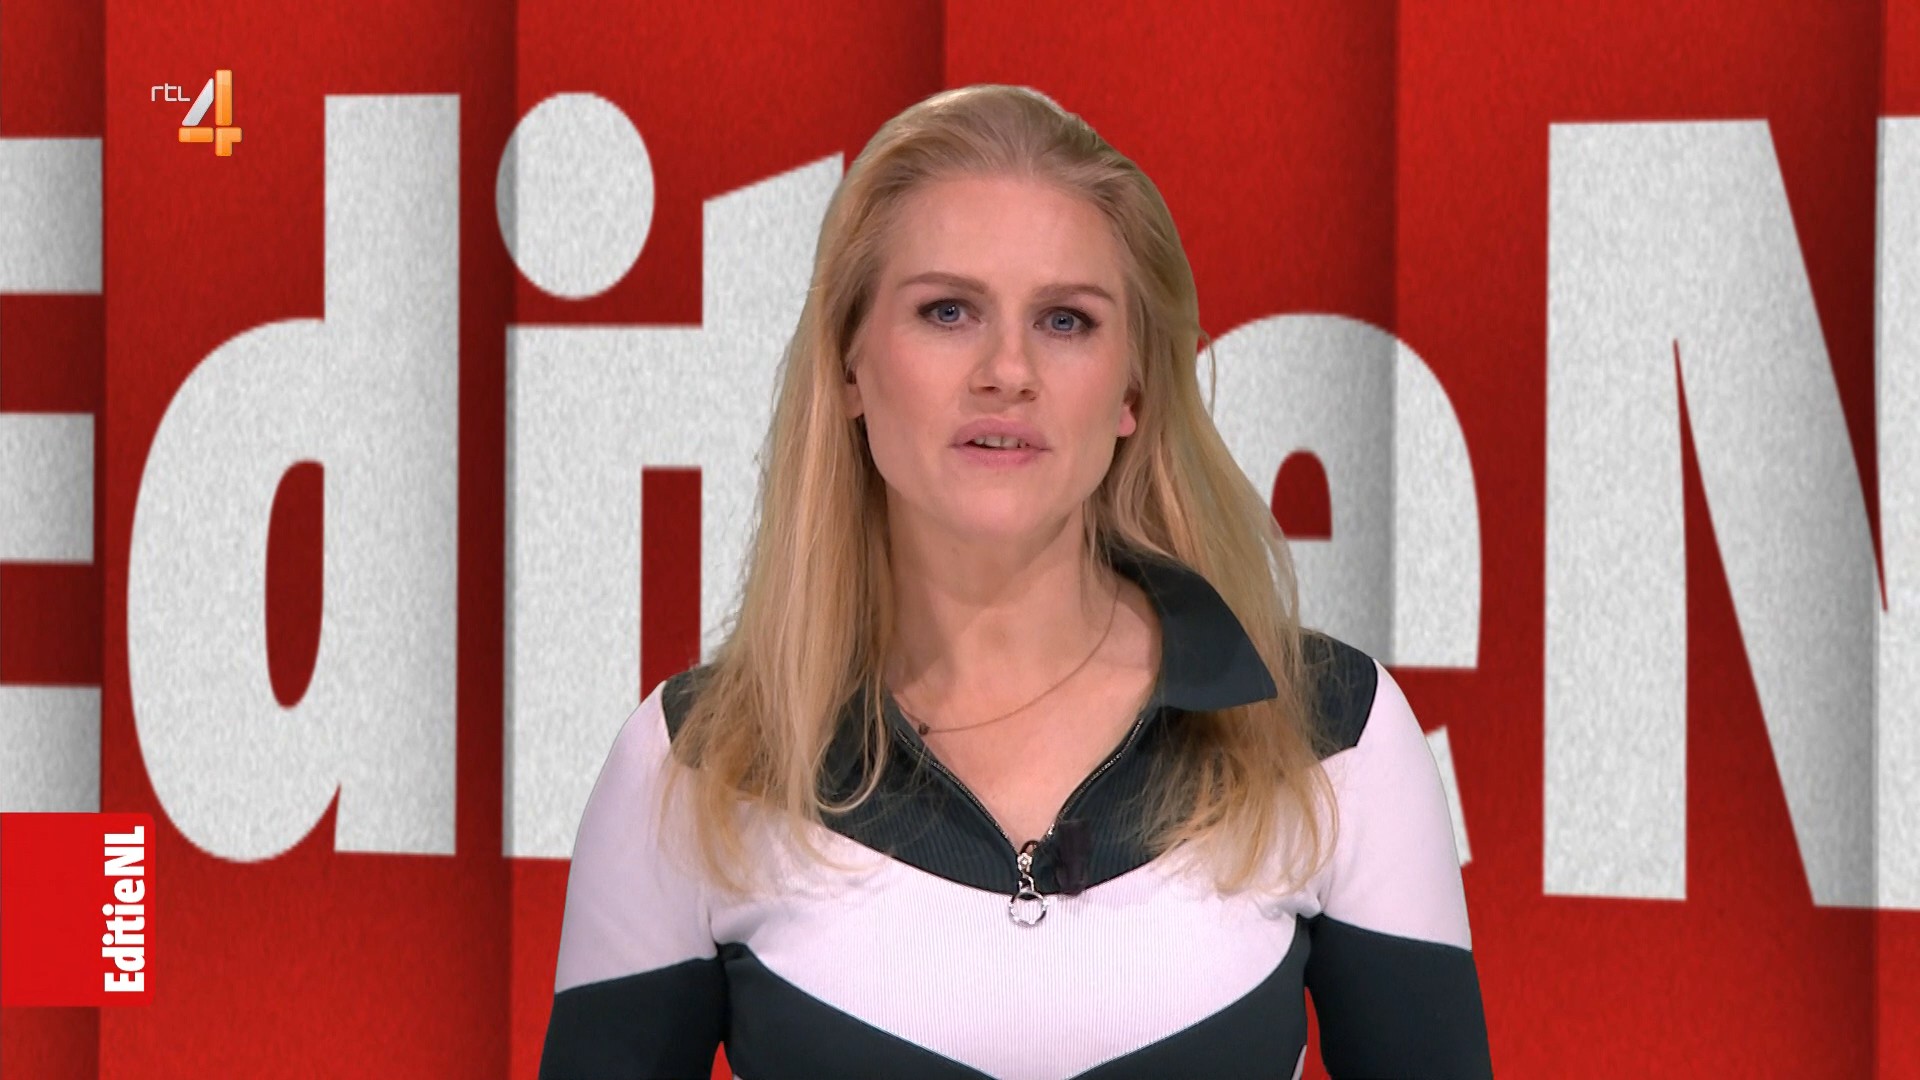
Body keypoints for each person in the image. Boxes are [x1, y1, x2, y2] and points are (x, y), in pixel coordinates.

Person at [538, 84, 1491, 1080]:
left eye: (1066, 321)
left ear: (1132, 387)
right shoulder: (694, 765)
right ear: (851, 366)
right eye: (947, 311)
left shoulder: (1334, 735)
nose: (1007, 369)